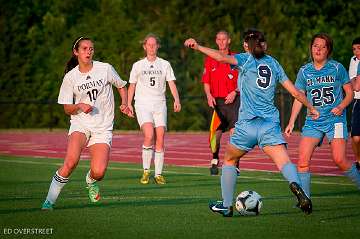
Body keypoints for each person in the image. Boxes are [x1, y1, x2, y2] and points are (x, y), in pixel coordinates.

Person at [184, 29, 319, 217]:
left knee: (229, 160)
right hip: (269, 125)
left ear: (246, 46)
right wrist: (311, 108)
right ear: (265, 45)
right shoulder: (274, 64)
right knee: (284, 162)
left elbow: (221, 58)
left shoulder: (246, 59)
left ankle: (227, 205)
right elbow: (296, 92)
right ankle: (298, 189)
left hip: (247, 125)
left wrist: (198, 46)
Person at [41, 37, 129, 210]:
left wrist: (125, 103)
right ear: (76, 52)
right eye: (84, 48)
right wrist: (80, 105)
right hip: (80, 123)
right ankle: (49, 201)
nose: (88, 51)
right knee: (70, 162)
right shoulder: (70, 77)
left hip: (102, 127)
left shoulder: (105, 69)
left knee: (99, 172)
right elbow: (67, 108)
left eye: (91, 49)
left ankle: (90, 180)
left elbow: (121, 86)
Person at [285, 33, 360, 199]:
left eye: (322, 46)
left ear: (328, 50)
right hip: (313, 121)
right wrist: (291, 122)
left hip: (335, 120)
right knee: (302, 160)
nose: (318, 49)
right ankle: (305, 199)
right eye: (315, 46)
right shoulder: (304, 71)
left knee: (339, 159)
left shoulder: (337, 68)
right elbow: (299, 97)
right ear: (311, 48)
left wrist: (341, 106)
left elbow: (350, 93)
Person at [127, 33, 181, 185]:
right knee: (149, 134)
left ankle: (158, 174)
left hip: (159, 104)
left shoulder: (164, 64)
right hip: (143, 104)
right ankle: (145, 171)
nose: (151, 47)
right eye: (148, 44)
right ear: (144, 46)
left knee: (161, 136)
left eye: (154, 44)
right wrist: (128, 103)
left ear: (158, 46)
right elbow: (132, 85)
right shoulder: (137, 65)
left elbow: (171, 83)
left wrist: (176, 99)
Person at [202, 30, 240, 175]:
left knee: (234, 135)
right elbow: (206, 82)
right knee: (215, 137)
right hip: (217, 103)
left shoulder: (236, 58)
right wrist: (208, 95)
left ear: (229, 40)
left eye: (224, 39)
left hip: (233, 102)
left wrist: (234, 92)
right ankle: (215, 159)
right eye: (219, 39)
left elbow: (243, 81)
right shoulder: (210, 58)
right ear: (216, 41)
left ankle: (236, 164)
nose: (221, 42)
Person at [349, 37, 360, 170]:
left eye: (359, 48)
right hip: (358, 101)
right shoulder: (354, 61)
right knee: (356, 137)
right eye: (354, 49)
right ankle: (358, 160)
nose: (356, 51)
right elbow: (355, 86)